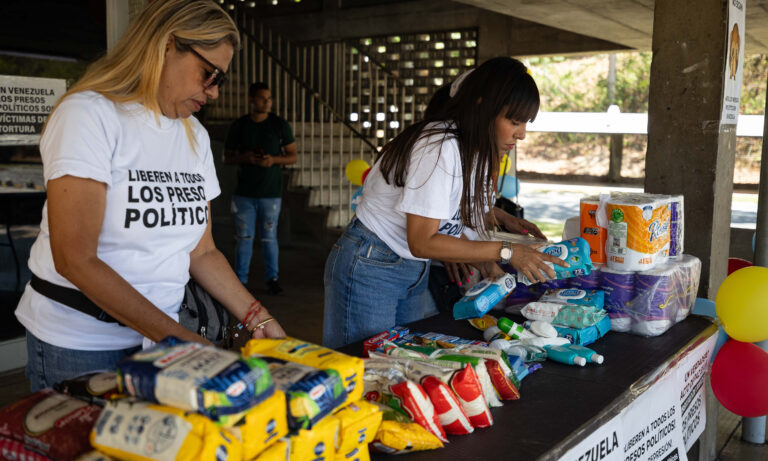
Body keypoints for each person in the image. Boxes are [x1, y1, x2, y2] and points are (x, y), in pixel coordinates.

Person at [15, 0, 285, 393]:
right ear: (166, 45)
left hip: (162, 341)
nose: (212, 93)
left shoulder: (193, 135)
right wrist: (185, 343)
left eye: (220, 81)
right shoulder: (89, 115)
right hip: (84, 345)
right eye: (208, 73)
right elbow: (76, 259)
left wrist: (260, 319)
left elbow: (203, 252)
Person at [323, 57, 569, 348]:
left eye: (525, 123)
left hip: (412, 267)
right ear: (482, 106)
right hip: (372, 265)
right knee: (362, 369)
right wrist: (507, 252)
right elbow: (422, 241)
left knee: (400, 364)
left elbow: (451, 217)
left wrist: (488, 264)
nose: (522, 133)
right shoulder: (440, 147)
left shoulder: (475, 152)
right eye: (514, 121)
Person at [223, 82, 298, 295]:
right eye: (263, 98)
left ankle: (272, 279)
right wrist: (244, 157)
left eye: (269, 98)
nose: (267, 102)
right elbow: (226, 158)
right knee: (244, 239)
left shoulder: (279, 124)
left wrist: (273, 159)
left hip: (271, 192)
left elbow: (293, 156)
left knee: (269, 237)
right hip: (244, 193)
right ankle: (240, 281)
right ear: (252, 100)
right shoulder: (240, 125)